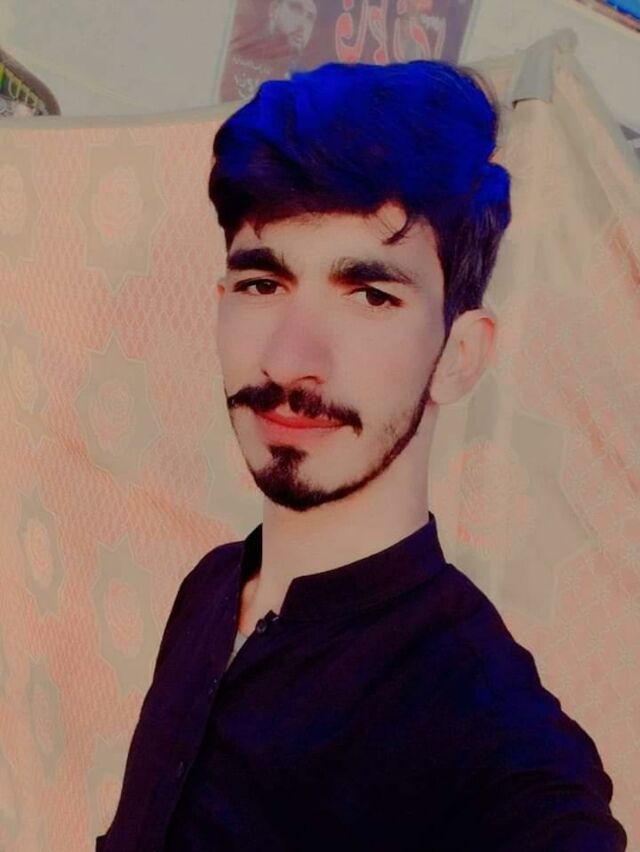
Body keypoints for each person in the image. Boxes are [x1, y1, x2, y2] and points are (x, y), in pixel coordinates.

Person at [97, 60, 628, 850]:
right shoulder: (211, 587)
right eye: (262, 284)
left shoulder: (487, 734)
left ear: (458, 356)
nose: (290, 360)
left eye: (372, 296)